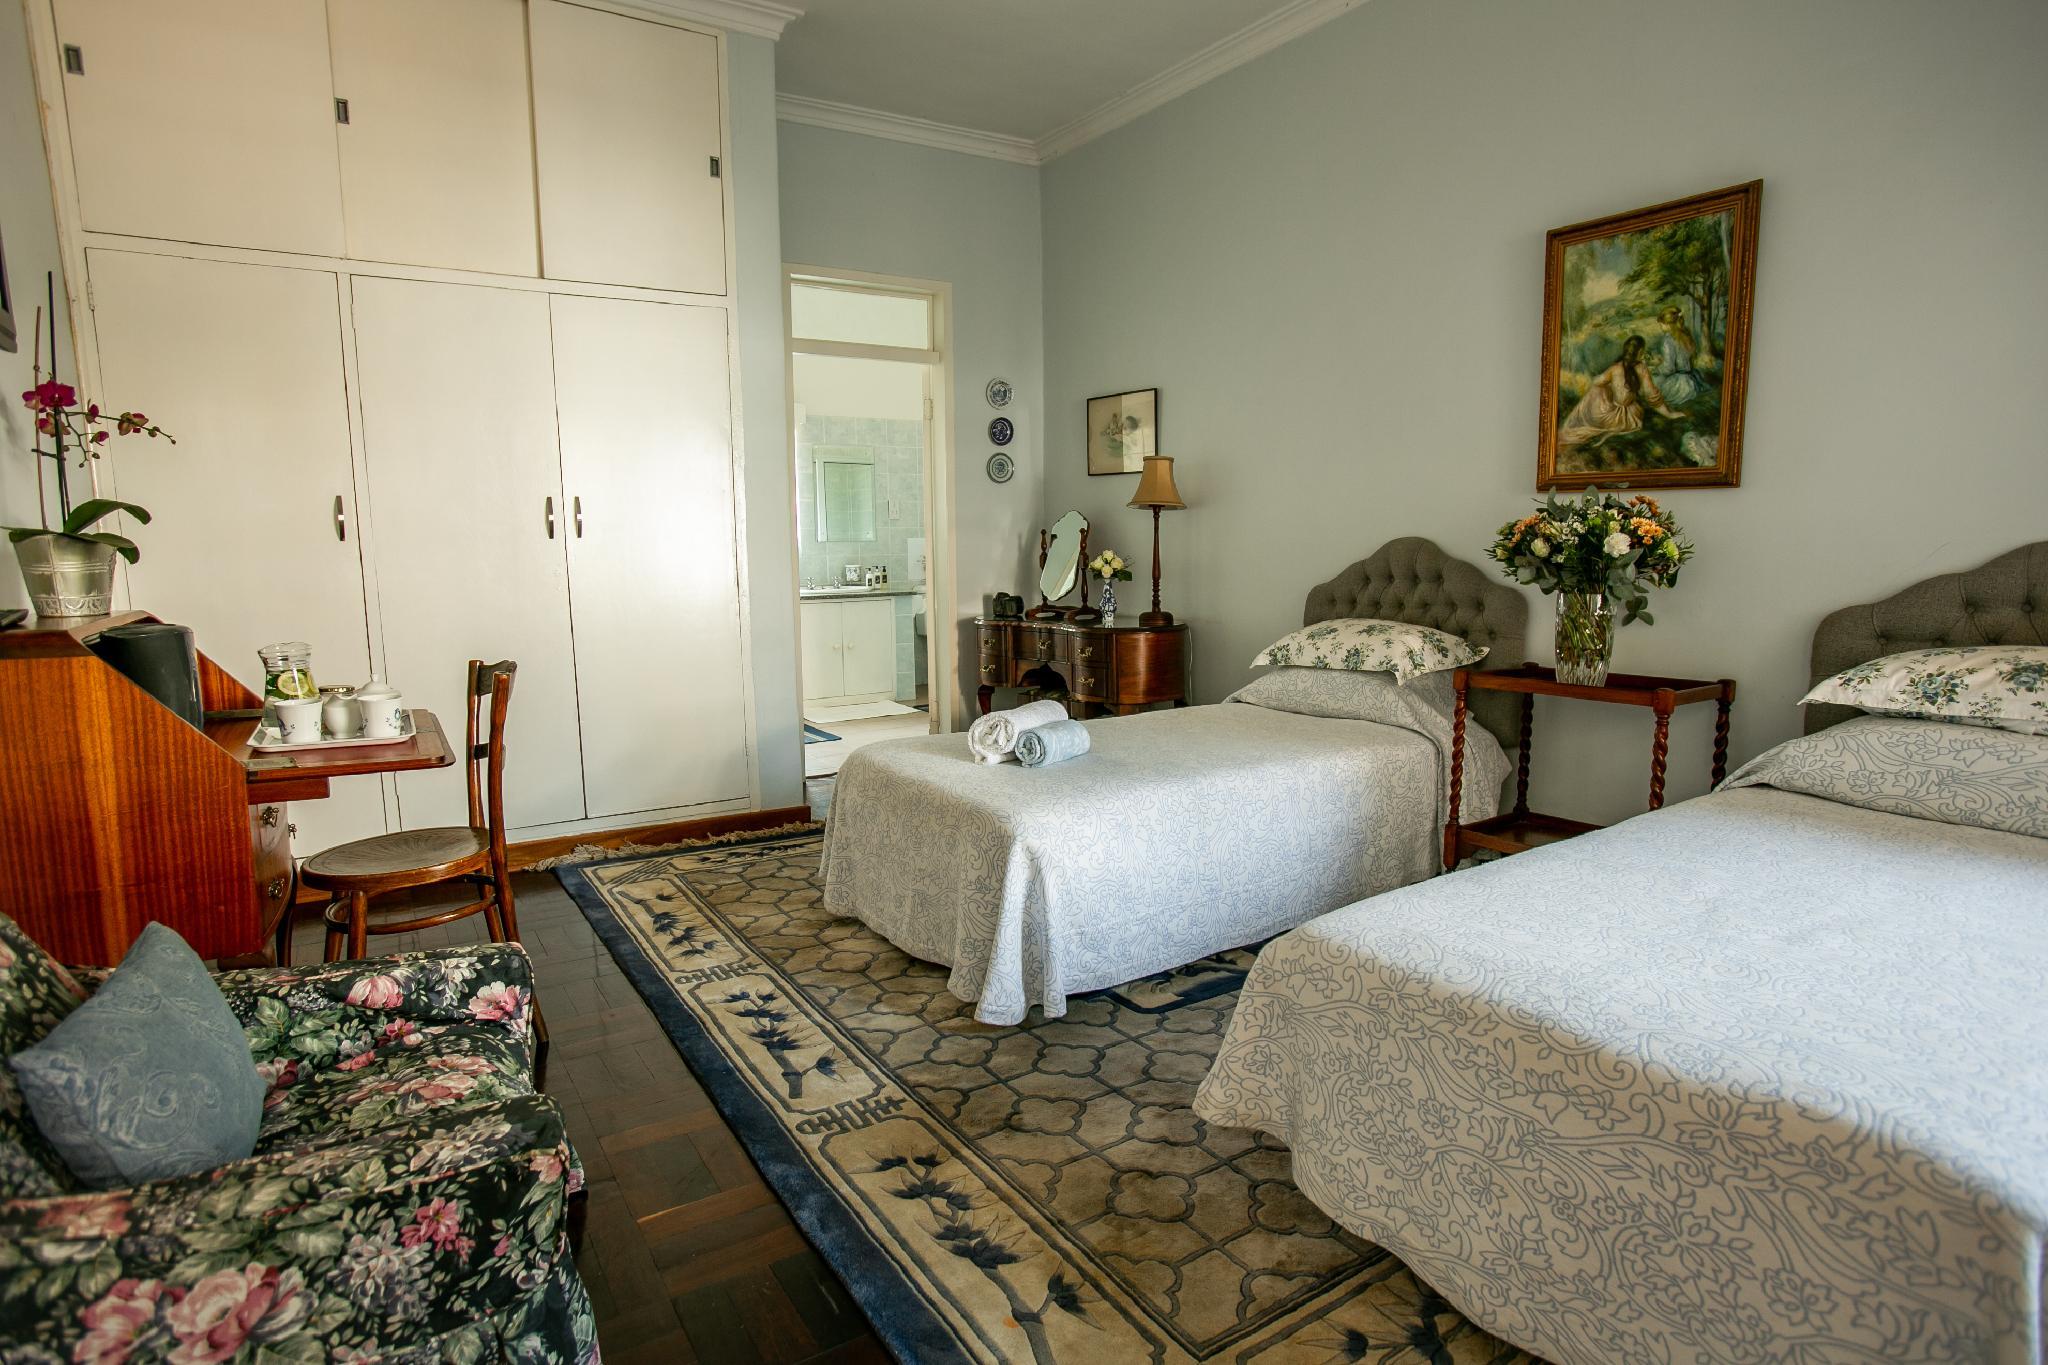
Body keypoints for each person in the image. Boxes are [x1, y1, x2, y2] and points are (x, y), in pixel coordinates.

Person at [1556, 335, 1683, 449]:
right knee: (1602, 388)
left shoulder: (1615, 368)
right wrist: (1669, 414)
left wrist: (1610, 385)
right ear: (1640, 352)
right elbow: (1652, 396)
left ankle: (1579, 423)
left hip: (1607, 416)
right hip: (1628, 417)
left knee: (1598, 388)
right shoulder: (1642, 369)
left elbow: (1596, 381)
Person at [1649, 305, 1705, 406]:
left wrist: (1656, 368)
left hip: (1680, 385)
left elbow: (1669, 369)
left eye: (1661, 324)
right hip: (1692, 379)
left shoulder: (1668, 340)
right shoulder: (1685, 334)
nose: (1660, 327)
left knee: (1651, 381)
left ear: (1668, 325)